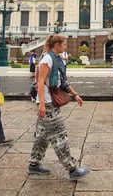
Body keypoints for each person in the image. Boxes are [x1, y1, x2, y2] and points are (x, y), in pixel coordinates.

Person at [28, 34, 89, 180]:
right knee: (59, 134)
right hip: (47, 102)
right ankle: (72, 168)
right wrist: (42, 104)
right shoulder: (47, 59)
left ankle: (34, 164)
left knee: (43, 135)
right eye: (64, 45)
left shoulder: (57, 60)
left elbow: (63, 82)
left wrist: (75, 95)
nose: (65, 47)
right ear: (57, 45)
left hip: (51, 101)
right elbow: (40, 82)